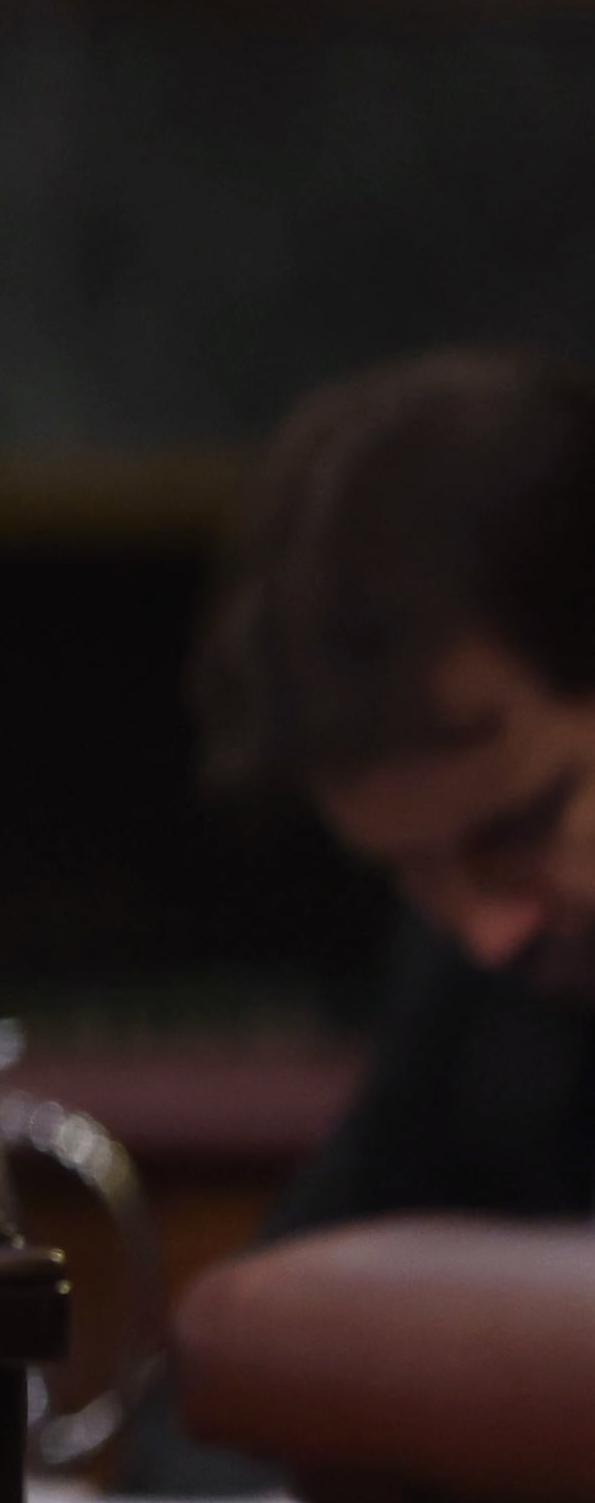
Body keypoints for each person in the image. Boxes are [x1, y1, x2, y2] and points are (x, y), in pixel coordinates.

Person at [193, 345, 595, 1234]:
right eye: (410, 869)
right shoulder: (484, 975)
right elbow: (296, 1298)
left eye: (521, 827)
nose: (486, 936)